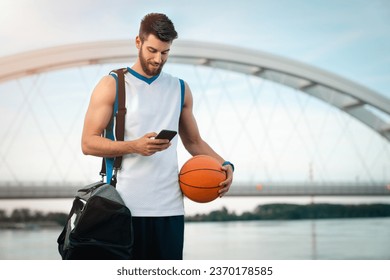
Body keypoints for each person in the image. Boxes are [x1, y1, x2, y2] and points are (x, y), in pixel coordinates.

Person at [81, 13, 234, 260]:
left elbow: (194, 142)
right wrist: (135, 146)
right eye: (152, 50)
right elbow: (88, 143)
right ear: (138, 42)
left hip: (169, 208)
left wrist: (224, 164)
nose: (157, 59)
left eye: (165, 52)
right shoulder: (113, 84)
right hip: (122, 208)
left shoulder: (180, 88)